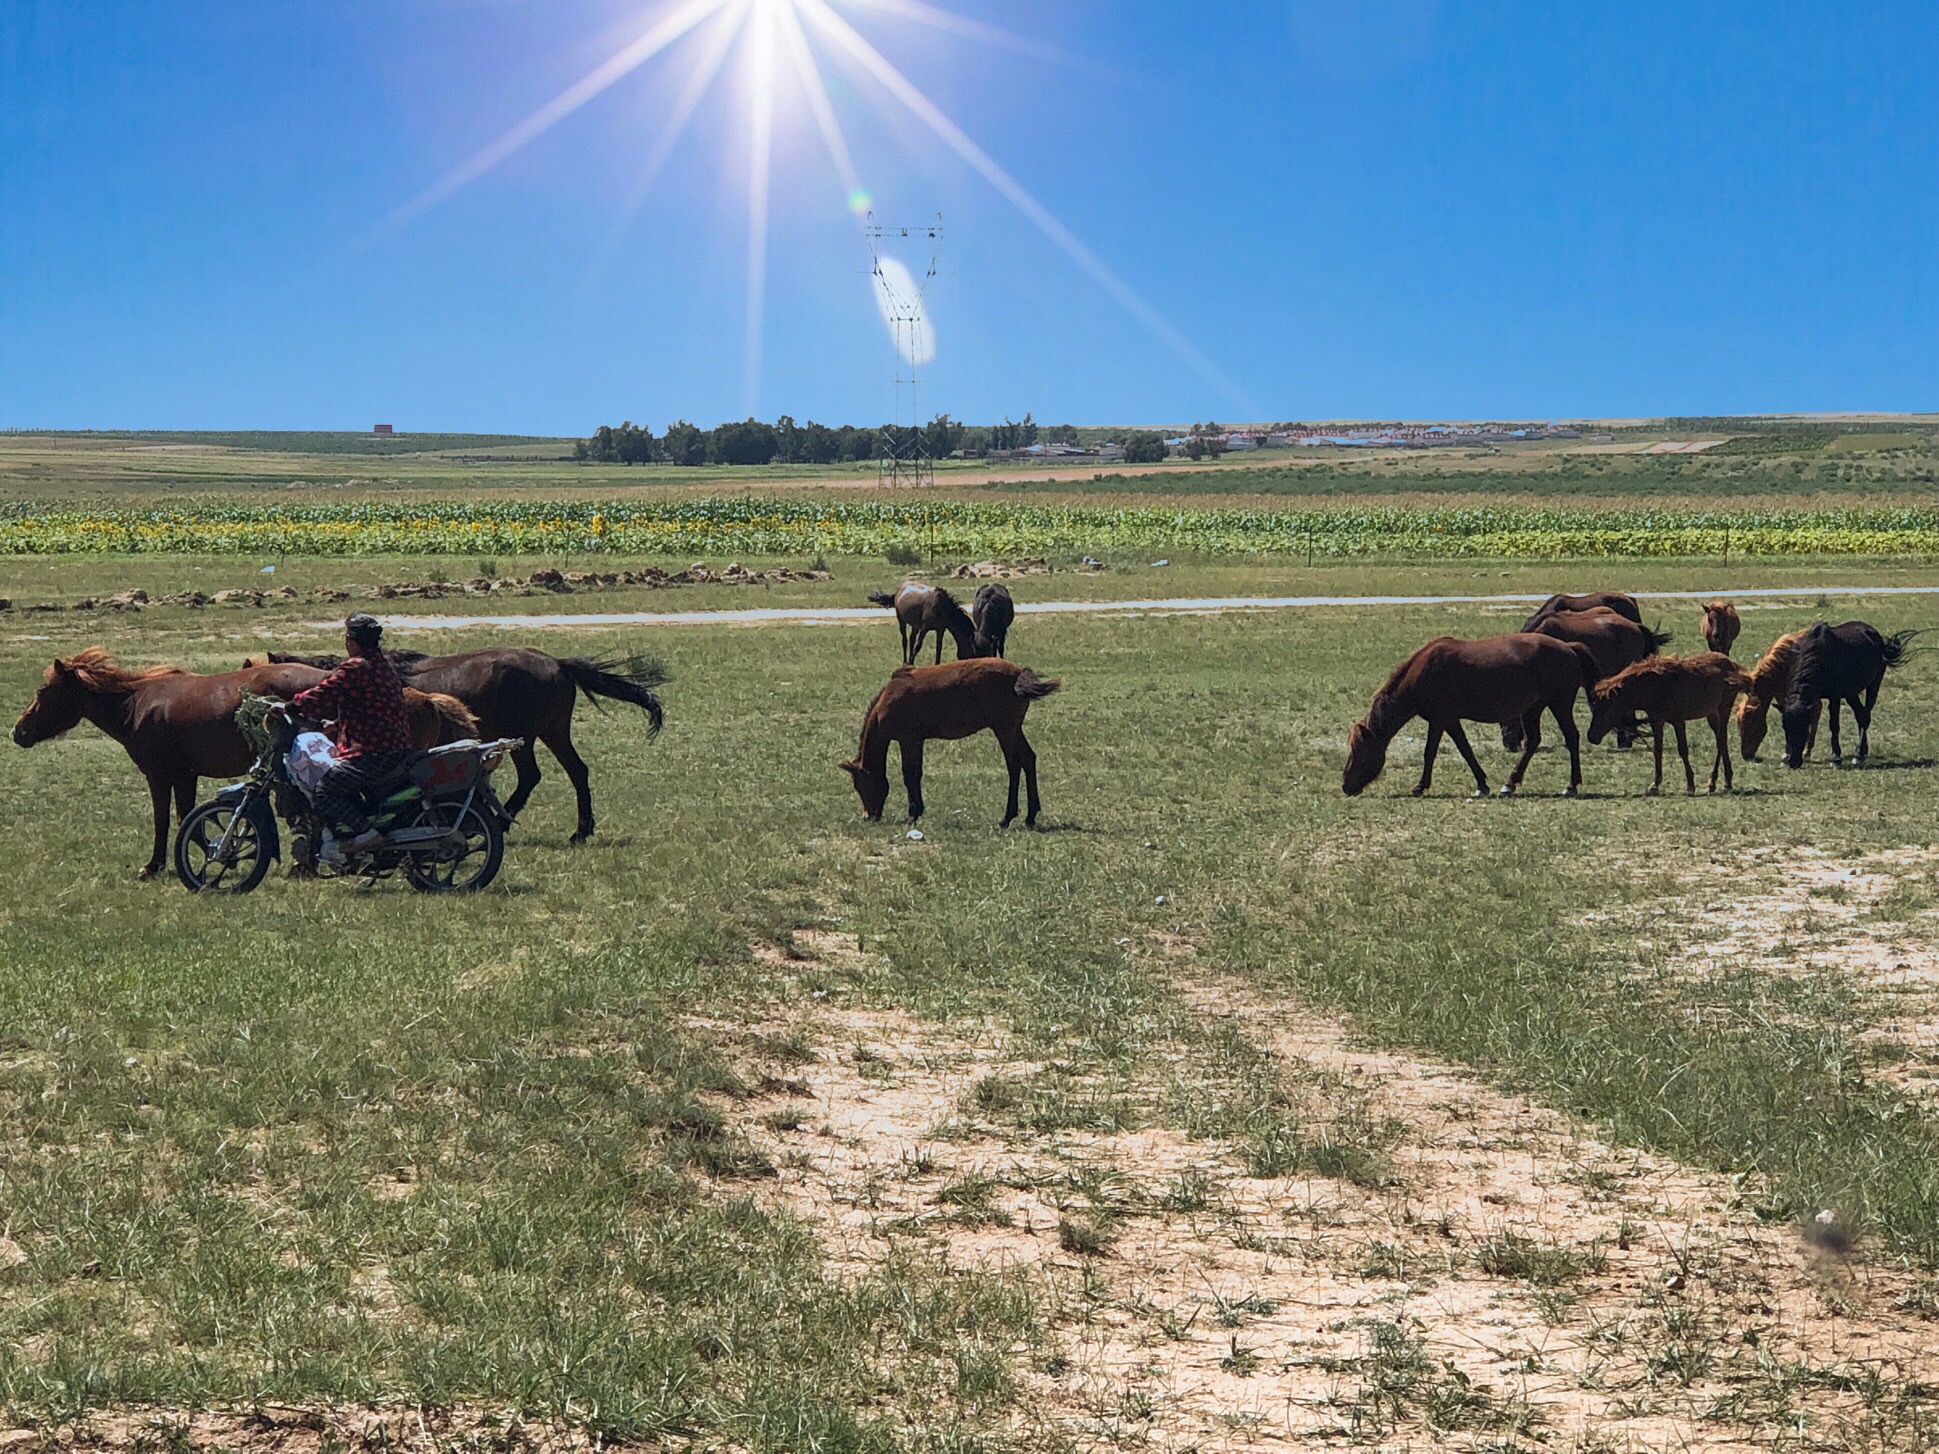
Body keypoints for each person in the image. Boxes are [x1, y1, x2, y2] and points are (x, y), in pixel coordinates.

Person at [291, 613, 414, 865]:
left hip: (372, 752)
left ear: (351, 641)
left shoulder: (355, 667)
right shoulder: (382, 663)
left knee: (324, 791)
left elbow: (325, 693)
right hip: (394, 747)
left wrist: (291, 706)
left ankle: (366, 835)